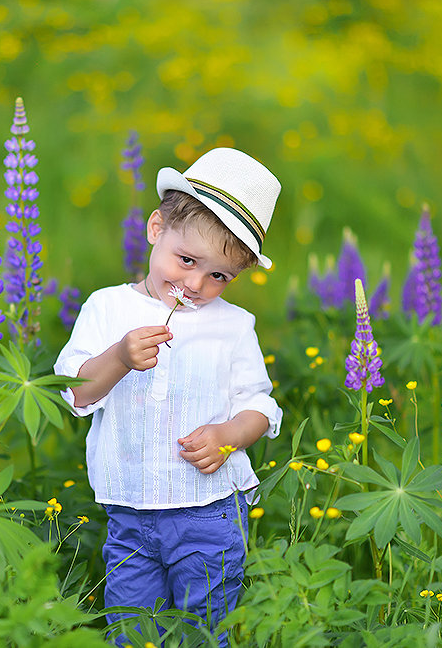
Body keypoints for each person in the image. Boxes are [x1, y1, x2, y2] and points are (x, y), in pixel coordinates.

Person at [54, 147, 282, 645]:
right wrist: (118, 358)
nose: (196, 285)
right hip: (129, 515)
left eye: (219, 276)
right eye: (187, 261)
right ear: (156, 228)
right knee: (133, 630)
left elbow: (261, 406)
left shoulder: (234, 326)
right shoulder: (107, 308)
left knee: (206, 630)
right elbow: (74, 393)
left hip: (210, 511)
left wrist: (229, 436)